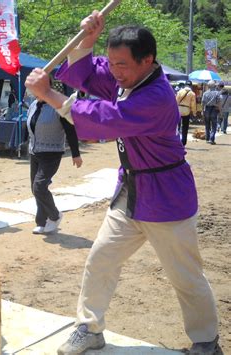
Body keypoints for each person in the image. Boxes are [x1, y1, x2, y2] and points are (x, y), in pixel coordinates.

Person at [25, 10, 219, 355]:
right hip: (130, 192)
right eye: (112, 63)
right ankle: (89, 327)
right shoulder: (125, 78)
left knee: (185, 277)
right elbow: (85, 72)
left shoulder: (155, 97)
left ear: (148, 61)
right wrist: (88, 38)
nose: (115, 71)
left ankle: (206, 341)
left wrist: (48, 95)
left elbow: (104, 119)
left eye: (122, 65)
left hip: (167, 196)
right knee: (101, 258)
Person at [27, 98, 82, 234]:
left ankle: (55, 215)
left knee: (39, 187)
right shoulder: (33, 105)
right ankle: (42, 221)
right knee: (36, 189)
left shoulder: (58, 106)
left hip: (52, 153)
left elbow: (70, 129)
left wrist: (76, 153)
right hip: (34, 152)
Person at [175, 80, 197, 146]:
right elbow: (193, 104)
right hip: (187, 109)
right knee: (185, 127)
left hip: (179, 109)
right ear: (190, 85)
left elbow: (176, 101)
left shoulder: (180, 91)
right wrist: (194, 112)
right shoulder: (192, 93)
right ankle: (183, 142)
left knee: (177, 126)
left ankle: (177, 140)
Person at [201, 80, 221, 145]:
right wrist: (220, 110)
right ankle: (212, 139)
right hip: (214, 109)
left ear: (208, 86)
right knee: (214, 125)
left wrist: (202, 111)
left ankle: (207, 138)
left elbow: (202, 103)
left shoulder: (205, 93)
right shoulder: (217, 93)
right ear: (214, 86)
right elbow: (219, 103)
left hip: (206, 109)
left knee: (207, 125)